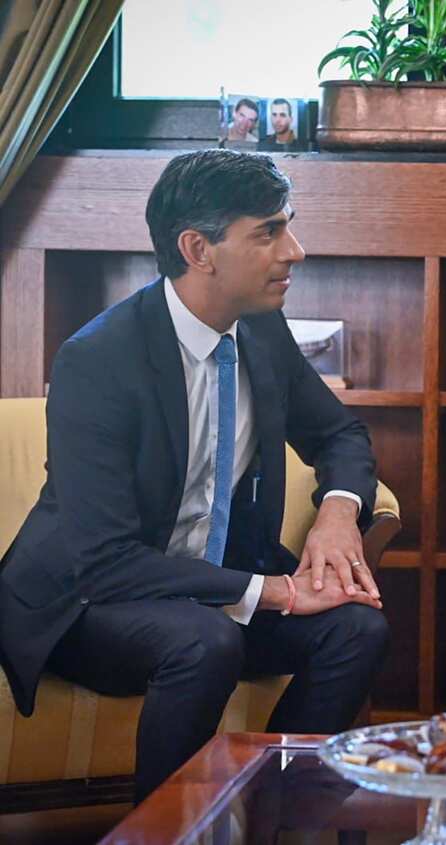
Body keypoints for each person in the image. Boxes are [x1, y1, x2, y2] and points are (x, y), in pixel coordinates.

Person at [0, 149, 390, 803]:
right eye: (268, 232)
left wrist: (339, 512)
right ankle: (167, 829)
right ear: (197, 248)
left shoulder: (261, 332)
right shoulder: (98, 360)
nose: (294, 249)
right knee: (205, 641)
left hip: (215, 583)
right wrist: (278, 592)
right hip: (87, 602)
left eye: (287, 225)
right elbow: (106, 563)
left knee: (358, 628)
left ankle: (270, 815)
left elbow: (339, 433)